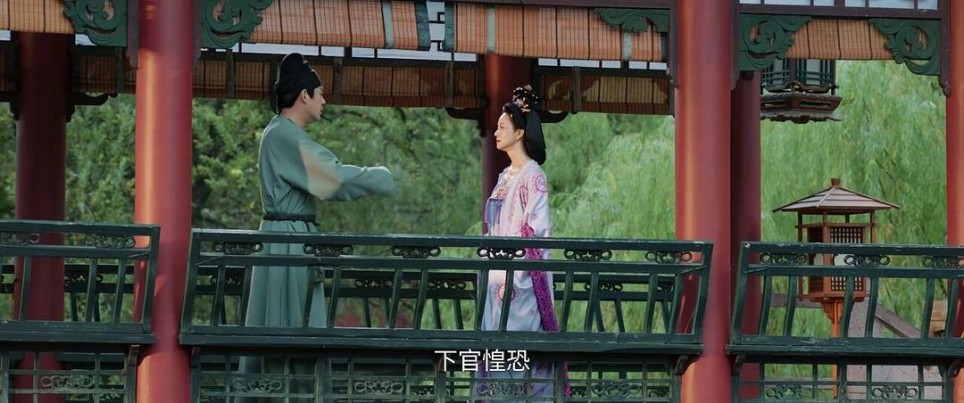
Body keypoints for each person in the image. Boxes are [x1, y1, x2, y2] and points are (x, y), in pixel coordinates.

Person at [237, 53, 398, 402]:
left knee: (292, 326)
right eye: (320, 93)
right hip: (287, 242)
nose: (324, 101)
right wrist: (383, 177)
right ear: (304, 95)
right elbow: (333, 177)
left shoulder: (281, 133)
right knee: (290, 329)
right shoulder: (283, 135)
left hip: (290, 238)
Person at [477, 85, 567, 400]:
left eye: (503, 127)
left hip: (521, 276)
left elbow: (538, 231)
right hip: (496, 272)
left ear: (519, 132)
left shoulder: (534, 176)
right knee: (494, 339)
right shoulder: (505, 176)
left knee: (518, 342)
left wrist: (513, 258)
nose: (496, 132)